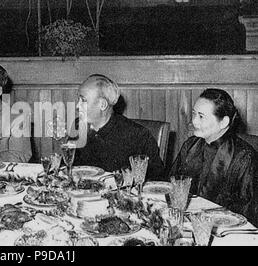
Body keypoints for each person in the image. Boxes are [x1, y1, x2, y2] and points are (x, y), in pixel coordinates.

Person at [169, 88, 258, 225]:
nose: (194, 122)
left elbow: (249, 213)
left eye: (201, 116)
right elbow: (172, 184)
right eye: (194, 114)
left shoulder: (244, 157)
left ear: (223, 122)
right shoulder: (190, 145)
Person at [72, 74, 165, 181]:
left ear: (103, 105)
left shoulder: (138, 136)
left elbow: (157, 179)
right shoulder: (77, 127)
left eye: (83, 100)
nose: (77, 106)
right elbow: (67, 168)